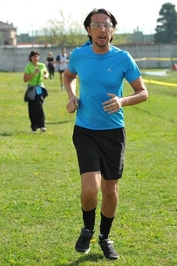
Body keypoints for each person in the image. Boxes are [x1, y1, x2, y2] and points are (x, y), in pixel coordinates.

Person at [64, 8, 148, 260]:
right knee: (91, 188)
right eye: (96, 24)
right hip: (85, 131)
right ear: (88, 30)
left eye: (107, 24)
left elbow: (143, 92)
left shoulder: (123, 58)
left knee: (110, 191)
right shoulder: (79, 55)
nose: (102, 29)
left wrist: (122, 101)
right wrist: (71, 96)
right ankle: (87, 228)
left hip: (113, 133)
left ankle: (104, 237)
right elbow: (68, 76)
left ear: (113, 30)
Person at [23, 50, 48, 133]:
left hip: (39, 88)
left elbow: (46, 72)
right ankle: (34, 127)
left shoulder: (42, 65)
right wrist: (33, 73)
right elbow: (25, 79)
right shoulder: (28, 67)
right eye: (34, 57)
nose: (36, 58)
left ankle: (42, 125)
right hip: (31, 88)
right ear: (31, 58)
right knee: (32, 107)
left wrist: (45, 75)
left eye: (37, 56)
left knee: (39, 105)